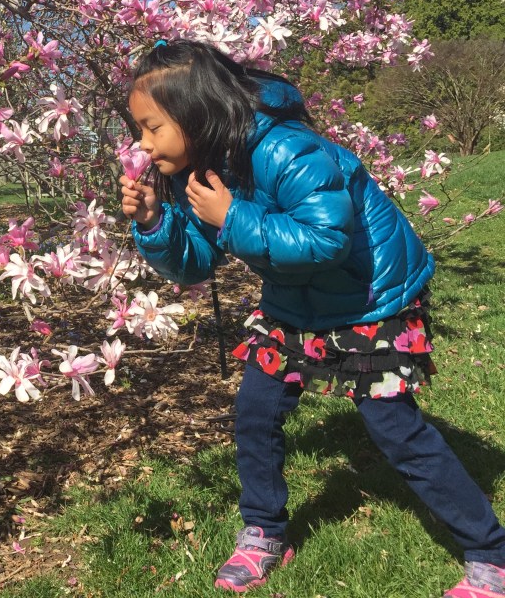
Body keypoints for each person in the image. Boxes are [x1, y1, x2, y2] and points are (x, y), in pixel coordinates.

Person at [119, 39, 505, 596]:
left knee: (395, 429)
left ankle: (490, 552)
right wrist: (156, 224)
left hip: (370, 299)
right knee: (256, 412)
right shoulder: (195, 170)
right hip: (294, 300)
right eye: (140, 129)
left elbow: (325, 239)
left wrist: (233, 214)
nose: (142, 143)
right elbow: (197, 262)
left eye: (152, 127)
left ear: (196, 114)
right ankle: (263, 530)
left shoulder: (287, 150)